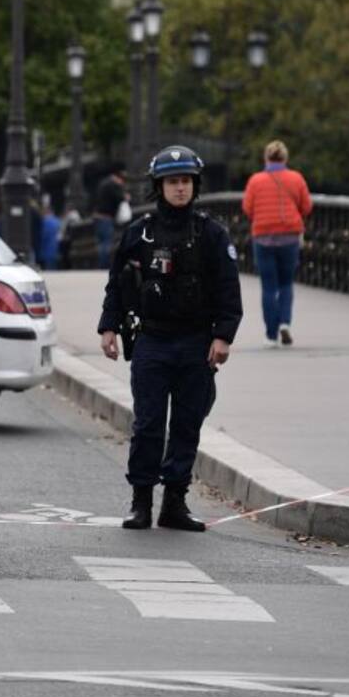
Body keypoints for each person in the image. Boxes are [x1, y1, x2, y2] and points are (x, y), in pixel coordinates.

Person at [97, 145, 243, 532]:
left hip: (196, 342)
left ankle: (174, 502)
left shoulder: (212, 234)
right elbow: (116, 284)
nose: (179, 189)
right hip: (152, 341)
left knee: (187, 423)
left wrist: (223, 337)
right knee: (148, 424)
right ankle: (141, 501)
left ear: (195, 186)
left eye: (185, 182)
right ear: (158, 187)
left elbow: (229, 290)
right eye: (171, 182)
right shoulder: (139, 233)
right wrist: (108, 327)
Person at [241, 140, 312, 347]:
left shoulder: (255, 181)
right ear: (285, 158)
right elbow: (306, 206)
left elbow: (247, 207)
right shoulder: (296, 178)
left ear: (266, 158)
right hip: (289, 236)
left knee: (269, 286)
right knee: (286, 283)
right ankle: (285, 323)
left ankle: (271, 335)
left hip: (263, 237)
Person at [92, 163, 131, 269]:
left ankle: (101, 264)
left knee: (101, 243)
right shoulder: (113, 185)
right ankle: (103, 266)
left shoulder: (103, 183)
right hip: (105, 218)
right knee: (106, 243)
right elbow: (121, 198)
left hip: (97, 216)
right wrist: (125, 195)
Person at [38, 199, 61, 270]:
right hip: (55, 248)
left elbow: (43, 235)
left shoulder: (44, 221)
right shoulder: (57, 221)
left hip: (45, 249)